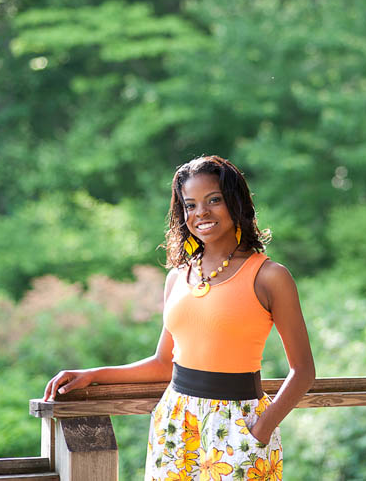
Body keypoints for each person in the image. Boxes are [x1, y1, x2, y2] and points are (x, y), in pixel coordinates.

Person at [43, 155, 316, 481]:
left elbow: (303, 371)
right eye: (190, 205)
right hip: (175, 420)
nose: (201, 212)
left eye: (213, 200)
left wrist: (259, 431)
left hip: (238, 427)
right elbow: (163, 363)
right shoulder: (177, 277)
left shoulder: (270, 276)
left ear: (236, 201)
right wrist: (93, 374)